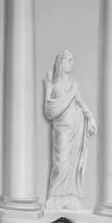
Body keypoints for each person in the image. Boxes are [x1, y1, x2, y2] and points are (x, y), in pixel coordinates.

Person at [42, 50, 96, 210]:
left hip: (75, 127)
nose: (72, 63)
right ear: (62, 62)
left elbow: (79, 102)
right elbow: (54, 108)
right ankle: (53, 196)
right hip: (62, 129)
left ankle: (69, 196)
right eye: (70, 60)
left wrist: (90, 117)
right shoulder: (57, 85)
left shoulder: (72, 83)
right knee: (61, 164)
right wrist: (69, 91)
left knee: (72, 164)